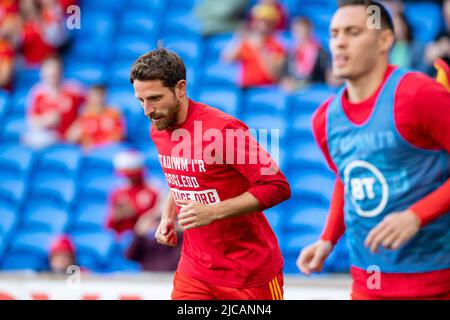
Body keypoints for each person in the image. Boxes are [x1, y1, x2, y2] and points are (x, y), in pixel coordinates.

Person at [296, 0, 450, 300]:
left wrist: (417, 215)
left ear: (384, 40)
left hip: (436, 281)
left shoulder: (419, 94)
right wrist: (327, 239)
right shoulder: (324, 119)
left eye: (353, 32)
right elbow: (348, 178)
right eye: (334, 33)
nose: (339, 42)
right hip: (369, 284)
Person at [130, 48, 291, 300]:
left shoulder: (223, 130)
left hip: (248, 273)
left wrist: (213, 212)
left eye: (154, 98)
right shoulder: (158, 128)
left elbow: (278, 186)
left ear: (180, 88)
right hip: (194, 270)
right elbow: (182, 176)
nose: (147, 110)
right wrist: (167, 216)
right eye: (141, 100)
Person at [24, 54, 85, 149]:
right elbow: (32, 121)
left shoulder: (75, 90)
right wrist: (45, 120)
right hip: (48, 139)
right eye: (49, 69)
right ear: (42, 71)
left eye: (56, 68)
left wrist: (78, 126)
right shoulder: (37, 93)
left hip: (71, 140)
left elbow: (90, 110)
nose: (53, 72)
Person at [222, 2, 286, 88]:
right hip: (245, 88)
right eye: (257, 21)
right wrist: (238, 38)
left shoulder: (277, 45)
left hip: (266, 89)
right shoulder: (246, 41)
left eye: (265, 22)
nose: (261, 25)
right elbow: (227, 60)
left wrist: (261, 49)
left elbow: (275, 74)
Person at [106, 150, 160, 236]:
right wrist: (117, 216)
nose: (129, 178)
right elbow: (109, 225)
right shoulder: (117, 192)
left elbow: (159, 216)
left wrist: (136, 212)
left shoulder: (153, 189)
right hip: (123, 239)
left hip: (146, 237)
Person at [66, 84, 125, 150]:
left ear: (104, 97)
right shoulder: (85, 115)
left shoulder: (114, 113)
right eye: (94, 97)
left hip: (108, 150)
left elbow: (118, 136)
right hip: (90, 152)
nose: (97, 100)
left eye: (99, 96)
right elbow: (71, 137)